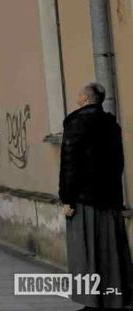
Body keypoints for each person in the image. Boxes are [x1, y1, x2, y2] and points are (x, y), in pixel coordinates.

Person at [60, 81, 133, 309]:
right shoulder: (112, 125)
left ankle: (92, 303)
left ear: (84, 98)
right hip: (109, 197)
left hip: (84, 199)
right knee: (111, 252)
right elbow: (118, 163)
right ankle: (116, 300)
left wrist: (67, 198)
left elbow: (70, 163)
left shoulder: (76, 122)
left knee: (86, 251)